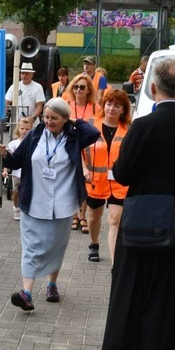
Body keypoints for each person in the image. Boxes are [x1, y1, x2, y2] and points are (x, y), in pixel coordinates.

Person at [99, 59, 175, 350]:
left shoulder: (142, 126)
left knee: (135, 288)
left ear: (151, 88)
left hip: (143, 215)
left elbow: (122, 172)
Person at [0, 98, 100, 311]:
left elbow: (93, 133)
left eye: (54, 118)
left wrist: (74, 122)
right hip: (33, 199)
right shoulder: (35, 135)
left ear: (64, 118)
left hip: (62, 202)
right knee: (31, 247)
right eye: (46, 117)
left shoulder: (74, 136)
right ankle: (26, 292)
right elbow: (16, 161)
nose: (49, 121)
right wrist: (4, 155)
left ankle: (52, 284)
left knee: (55, 246)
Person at [81, 89, 131, 263]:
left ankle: (115, 263)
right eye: (109, 104)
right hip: (95, 181)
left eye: (117, 106)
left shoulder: (129, 129)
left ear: (123, 109)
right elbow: (78, 150)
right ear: (103, 105)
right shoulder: (90, 124)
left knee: (115, 220)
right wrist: (83, 169)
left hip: (120, 182)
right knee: (94, 218)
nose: (111, 108)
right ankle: (94, 244)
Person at [65, 73, 97, 233]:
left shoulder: (95, 107)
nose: (78, 89)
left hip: (89, 148)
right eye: (76, 86)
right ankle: (73, 215)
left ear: (88, 89)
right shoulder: (66, 104)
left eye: (82, 87)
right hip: (70, 146)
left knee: (84, 182)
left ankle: (82, 215)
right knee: (70, 180)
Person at [4, 116, 33, 221]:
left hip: (28, 173)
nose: (24, 131)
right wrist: (5, 169)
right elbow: (9, 159)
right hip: (17, 173)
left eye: (27, 129)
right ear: (18, 129)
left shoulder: (33, 144)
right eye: (22, 129)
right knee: (16, 191)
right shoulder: (13, 144)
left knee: (27, 191)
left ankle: (26, 208)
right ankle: (16, 207)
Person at [4, 62, 45, 128]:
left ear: (32, 75)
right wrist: (3, 116)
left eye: (27, 74)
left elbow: (39, 106)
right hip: (17, 123)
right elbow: (7, 102)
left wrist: (33, 117)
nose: (24, 76)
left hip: (32, 124)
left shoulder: (38, 87)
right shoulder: (14, 86)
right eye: (22, 73)